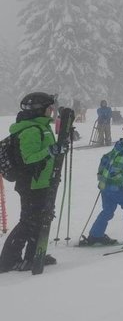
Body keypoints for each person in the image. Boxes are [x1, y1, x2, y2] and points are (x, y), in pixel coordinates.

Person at [0, 92, 60, 272]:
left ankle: (33, 255)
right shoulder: (31, 130)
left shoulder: (40, 127)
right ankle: (8, 261)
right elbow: (29, 159)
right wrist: (51, 151)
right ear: (39, 110)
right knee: (28, 222)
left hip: (41, 182)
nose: (51, 111)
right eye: (49, 108)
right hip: (32, 184)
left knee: (39, 220)